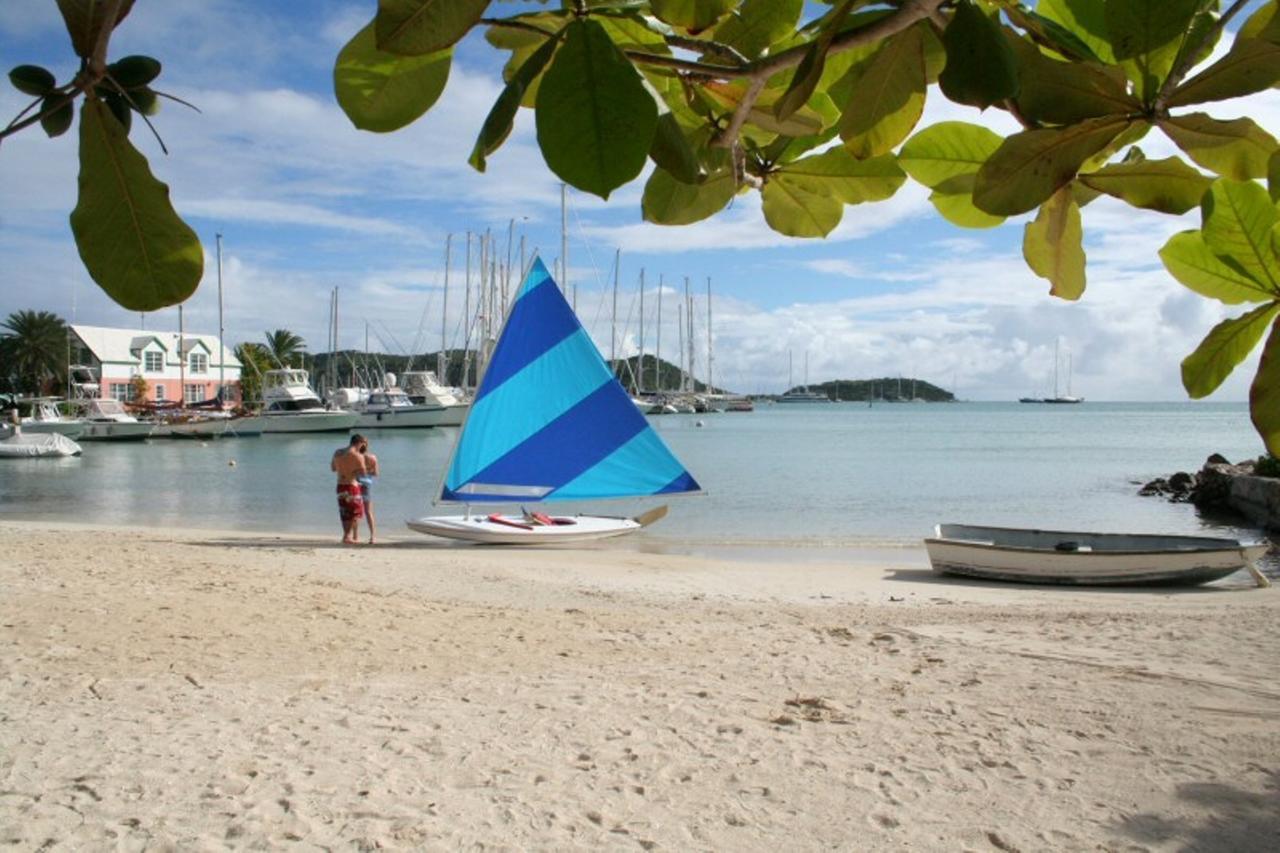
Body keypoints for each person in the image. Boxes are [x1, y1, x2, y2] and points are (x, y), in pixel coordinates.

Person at [330, 434, 367, 544]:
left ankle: (346, 536)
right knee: (355, 512)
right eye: (363, 445)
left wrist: (344, 469)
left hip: (340, 485)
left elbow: (333, 468)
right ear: (359, 443)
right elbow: (363, 473)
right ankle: (347, 536)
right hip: (352, 485)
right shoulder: (358, 456)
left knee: (345, 512)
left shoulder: (337, 452)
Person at [357, 438, 379, 544]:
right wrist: (368, 470)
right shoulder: (372, 457)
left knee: (355, 512)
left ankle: (354, 536)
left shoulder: (355, 457)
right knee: (368, 512)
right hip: (367, 485)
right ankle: (372, 537)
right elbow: (376, 473)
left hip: (355, 484)